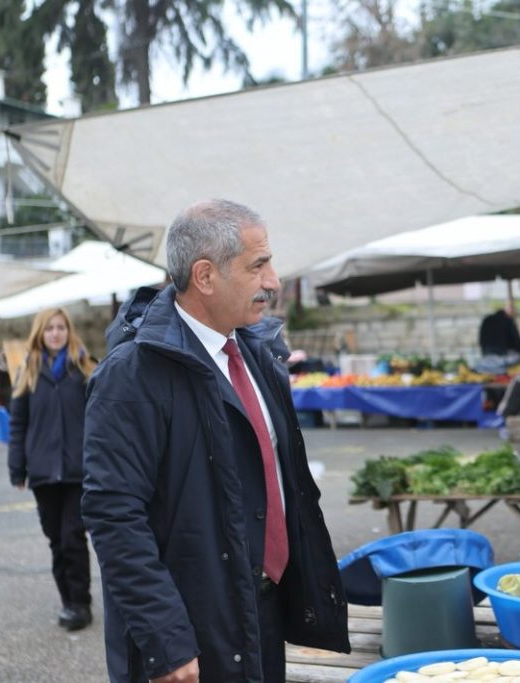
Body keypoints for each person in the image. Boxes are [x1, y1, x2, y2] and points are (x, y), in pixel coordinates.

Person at [82, 199, 350, 682]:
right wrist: (166, 640)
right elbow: (114, 514)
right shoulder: (133, 375)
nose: (273, 281)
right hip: (190, 632)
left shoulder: (256, 351)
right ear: (205, 276)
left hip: (258, 611)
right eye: (257, 266)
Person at [8, 307, 96, 631]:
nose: (56, 333)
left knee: (73, 536)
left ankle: (81, 604)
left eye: (60, 327)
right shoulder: (28, 372)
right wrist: (17, 468)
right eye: (49, 329)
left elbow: (100, 418)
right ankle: (67, 602)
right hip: (44, 472)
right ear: (40, 334)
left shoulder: (84, 368)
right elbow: (18, 424)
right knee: (56, 539)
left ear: (68, 331)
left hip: (77, 471)